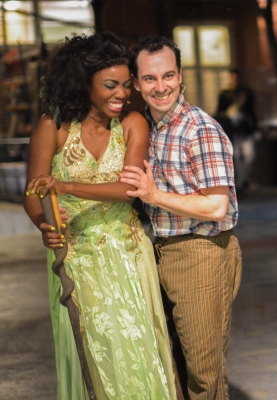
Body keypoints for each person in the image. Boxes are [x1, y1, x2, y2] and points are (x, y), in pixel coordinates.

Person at [23, 32, 177, 399]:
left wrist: (65, 185)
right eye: (110, 85)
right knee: (98, 353)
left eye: (126, 85)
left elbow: (128, 189)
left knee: (139, 347)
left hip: (128, 255)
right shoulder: (54, 126)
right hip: (78, 258)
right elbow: (34, 191)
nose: (122, 94)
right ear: (83, 84)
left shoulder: (132, 124)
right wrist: (44, 224)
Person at [121, 35, 242, 400]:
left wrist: (153, 195)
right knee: (174, 365)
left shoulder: (199, 130)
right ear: (137, 83)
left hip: (202, 253)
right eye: (150, 79)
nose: (161, 87)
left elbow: (216, 206)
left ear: (181, 75)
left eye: (168, 76)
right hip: (164, 251)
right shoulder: (147, 127)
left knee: (204, 377)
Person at [215, 69, 257, 190]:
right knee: (236, 157)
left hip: (246, 130)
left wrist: (254, 128)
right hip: (232, 132)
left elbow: (251, 112)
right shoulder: (224, 94)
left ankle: (243, 180)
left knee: (249, 156)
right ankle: (239, 183)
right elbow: (220, 113)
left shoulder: (246, 93)